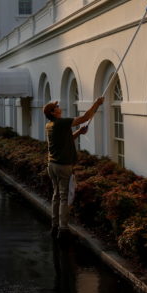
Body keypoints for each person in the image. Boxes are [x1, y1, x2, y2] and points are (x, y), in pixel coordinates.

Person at [43, 97, 104, 241]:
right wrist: (97, 103)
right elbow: (85, 117)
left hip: (52, 165)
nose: (59, 108)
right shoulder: (61, 122)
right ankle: (63, 229)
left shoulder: (50, 125)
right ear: (53, 112)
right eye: (56, 107)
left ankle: (55, 226)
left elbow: (66, 139)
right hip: (64, 166)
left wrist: (79, 133)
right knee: (64, 197)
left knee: (56, 195)